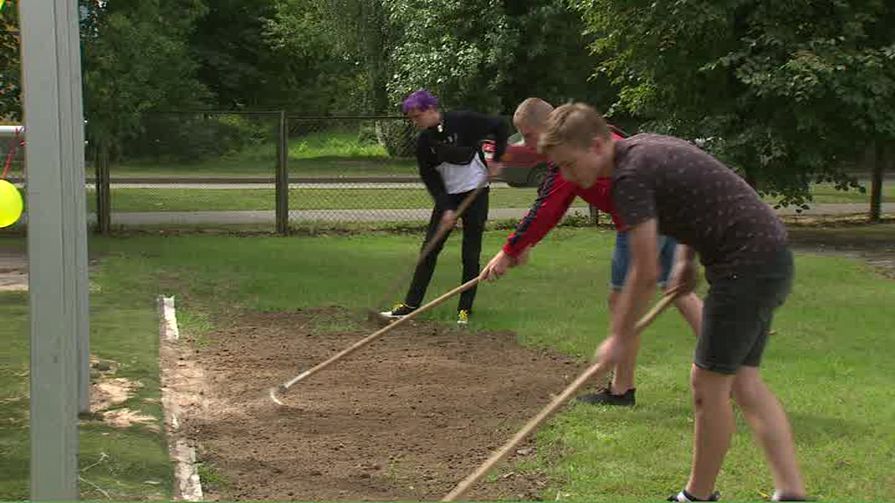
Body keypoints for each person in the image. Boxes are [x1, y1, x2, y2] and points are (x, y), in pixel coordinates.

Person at [536, 103, 806, 502]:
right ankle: (791, 493)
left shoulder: (629, 176)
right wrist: (683, 259)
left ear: (596, 145)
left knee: (707, 383)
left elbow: (643, 272)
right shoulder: (641, 152)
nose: (567, 175)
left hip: (746, 265)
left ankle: (697, 497)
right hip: (767, 257)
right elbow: (692, 200)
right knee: (743, 381)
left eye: (569, 164)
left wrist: (618, 337)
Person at [481, 97, 703, 406]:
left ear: (546, 126)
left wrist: (509, 251)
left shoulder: (572, 150)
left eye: (528, 134)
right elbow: (551, 204)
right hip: (665, 211)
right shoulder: (582, 142)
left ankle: (622, 390)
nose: (526, 143)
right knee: (677, 289)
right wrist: (522, 245)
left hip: (640, 219)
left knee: (622, 300)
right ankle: (724, 360)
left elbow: (547, 207)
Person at [380, 89, 509, 325]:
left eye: (416, 116)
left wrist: (497, 159)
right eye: (411, 118)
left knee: (470, 254)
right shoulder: (424, 142)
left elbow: (500, 125)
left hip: (475, 191)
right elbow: (431, 179)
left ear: (430, 109)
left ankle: (465, 310)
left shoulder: (463, 121)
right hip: (449, 197)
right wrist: (447, 208)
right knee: (429, 249)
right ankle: (410, 305)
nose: (414, 122)